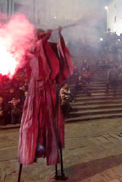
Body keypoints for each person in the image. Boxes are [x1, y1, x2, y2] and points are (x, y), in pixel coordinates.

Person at [18, 27, 73, 171]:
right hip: (35, 90)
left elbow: (61, 53)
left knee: (50, 120)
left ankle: (51, 151)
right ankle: (32, 149)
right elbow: (37, 50)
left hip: (48, 90)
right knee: (34, 121)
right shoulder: (34, 47)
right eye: (40, 36)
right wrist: (46, 37)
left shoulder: (49, 47)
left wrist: (59, 36)